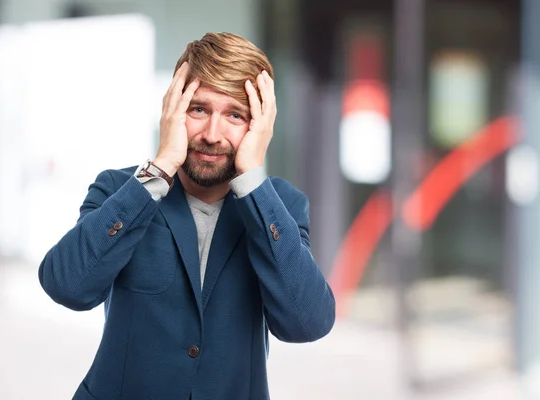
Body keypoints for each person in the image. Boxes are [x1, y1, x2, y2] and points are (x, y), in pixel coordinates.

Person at [38, 32, 335, 400]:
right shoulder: (120, 190)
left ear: (260, 124)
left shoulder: (280, 206)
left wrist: (254, 182)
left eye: (235, 115)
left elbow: (307, 323)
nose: (212, 134)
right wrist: (158, 169)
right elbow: (66, 286)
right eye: (199, 109)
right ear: (172, 110)